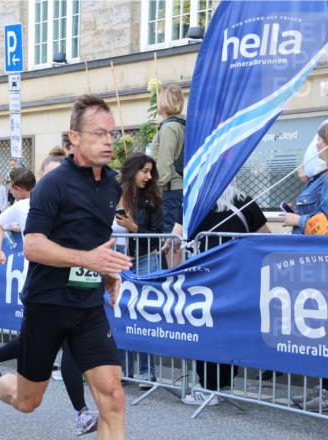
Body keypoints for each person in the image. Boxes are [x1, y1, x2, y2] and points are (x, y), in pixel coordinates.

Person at [0, 95, 152, 440]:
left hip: (87, 308)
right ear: (74, 138)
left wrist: (107, 273)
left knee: (113, 396)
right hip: (46, 304)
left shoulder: (110, 187)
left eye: (112, 134)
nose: (110, 142)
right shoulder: (52, 184)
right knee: (29, 401)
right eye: (99, 134)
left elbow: (95, 238)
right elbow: (32, 245)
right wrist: (88, 260)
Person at [0, 166, 100, 436]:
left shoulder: (81, 203)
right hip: (44, 292)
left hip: (78, 290)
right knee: (32, 364)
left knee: (70, 349)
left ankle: (81, 414)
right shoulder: (27, 205)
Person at [174, 185, 270, 406]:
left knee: (204, 328)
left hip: (202, 280)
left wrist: (175, 274)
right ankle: (225, 383)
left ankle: (208, 385)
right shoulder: (246, 201)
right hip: (237, 280)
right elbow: (265, 238)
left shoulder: (194, 204)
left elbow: (174, 240)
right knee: (230, 329)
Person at [114, 154, 167, 387]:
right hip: (120, 260)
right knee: (122, 311)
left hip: (145, 260)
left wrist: (135, 227)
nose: (147, 176)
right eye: (143, 171)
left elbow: (157, 236)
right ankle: (124, 370)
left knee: (144, 313)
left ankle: (147, 371)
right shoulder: (114, 194)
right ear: (132, 171)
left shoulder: (153, 197)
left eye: (150, 172)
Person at [147, 85, 185, 237]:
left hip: (171, 189)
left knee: (170, 240)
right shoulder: (182, 125)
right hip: (180, 187)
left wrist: (155, 188)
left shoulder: (169, 127)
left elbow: (165, 162)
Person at [283, 124, 328, 235]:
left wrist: (297, 220)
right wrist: (297, 213)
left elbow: (326, 225)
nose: (316, 144)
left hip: (316, 249)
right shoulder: (321, 176)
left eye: (319, 139)